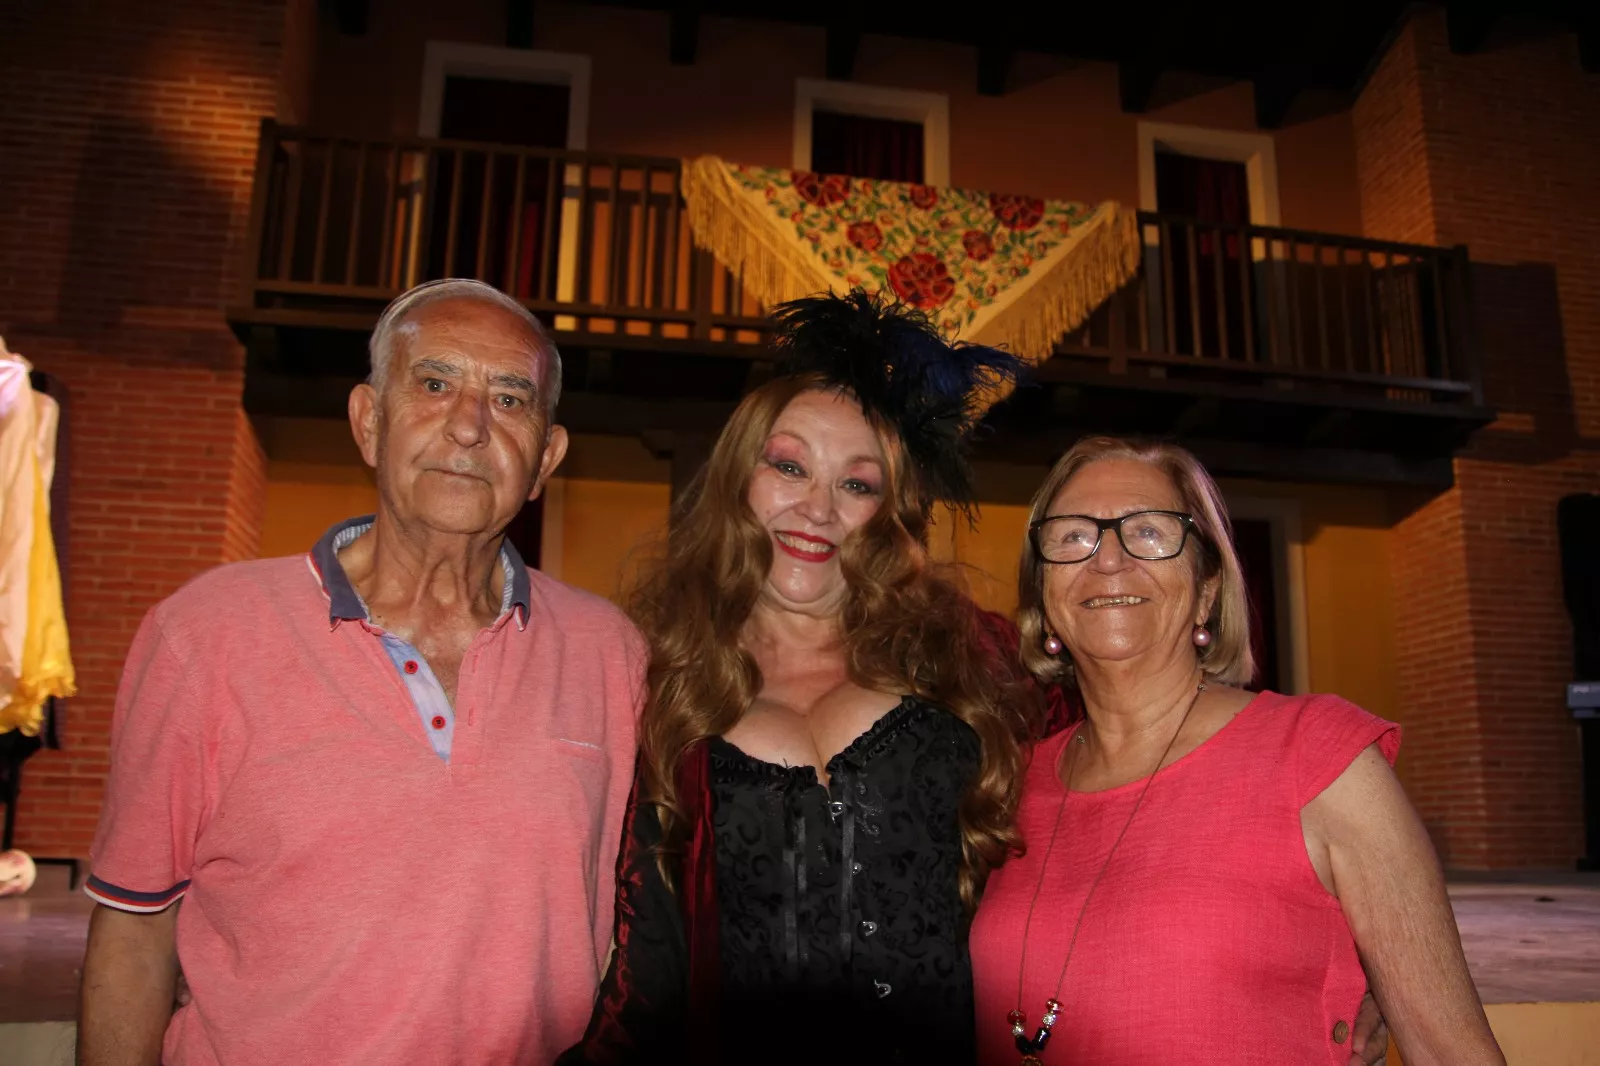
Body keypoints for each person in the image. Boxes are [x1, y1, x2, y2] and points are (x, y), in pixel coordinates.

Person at [78, 279, 646, 1065]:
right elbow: (134, 928)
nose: (471, 427)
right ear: (369, 422)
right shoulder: (205, 634)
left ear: (546, 458)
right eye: (436, 384)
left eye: (510, 399)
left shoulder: (611, 655)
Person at [561, 291, 1038, 1064]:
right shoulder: (659, 680)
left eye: (856, 484)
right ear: (739, 478)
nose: (817, 508)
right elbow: (647, 963)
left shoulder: (970, 656)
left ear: (890, 512)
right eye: (789, 466)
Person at [970, 436, 1504, 1065]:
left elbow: (1451, 1052)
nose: (1108, 559)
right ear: (1043, 599)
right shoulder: (1011, 781)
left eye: (1148, 532)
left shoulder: (1316, 757)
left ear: (1205, 590)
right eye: (1072, 537)